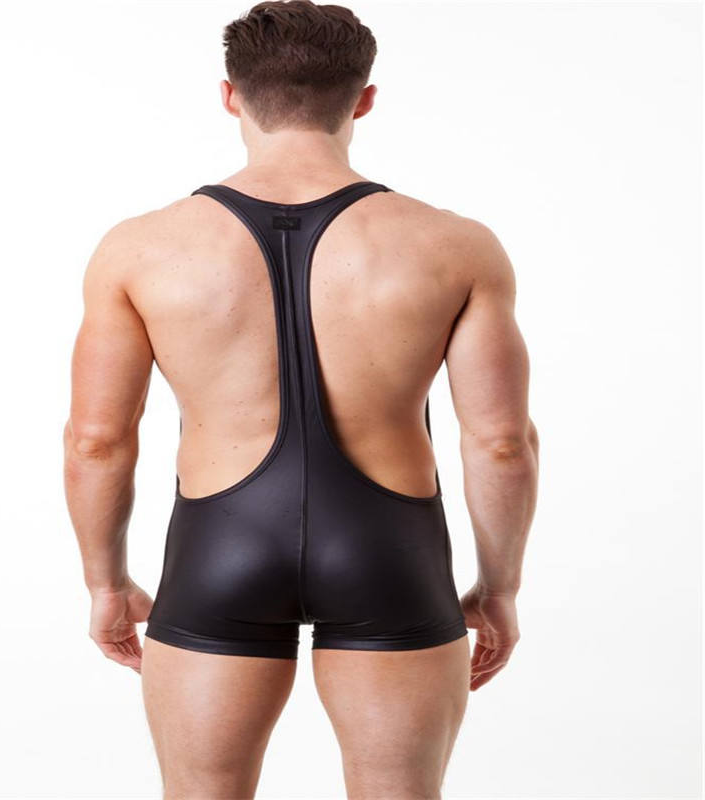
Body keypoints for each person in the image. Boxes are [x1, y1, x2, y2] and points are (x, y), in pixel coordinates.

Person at [62, 1, 539, 797]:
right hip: (389, 550)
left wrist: (105, 584)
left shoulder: (141, 249)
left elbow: (96, 440)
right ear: (363, 99)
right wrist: (500, 590)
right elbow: (501, 442)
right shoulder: (454, 246)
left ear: (230, 96)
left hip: (221, 548)